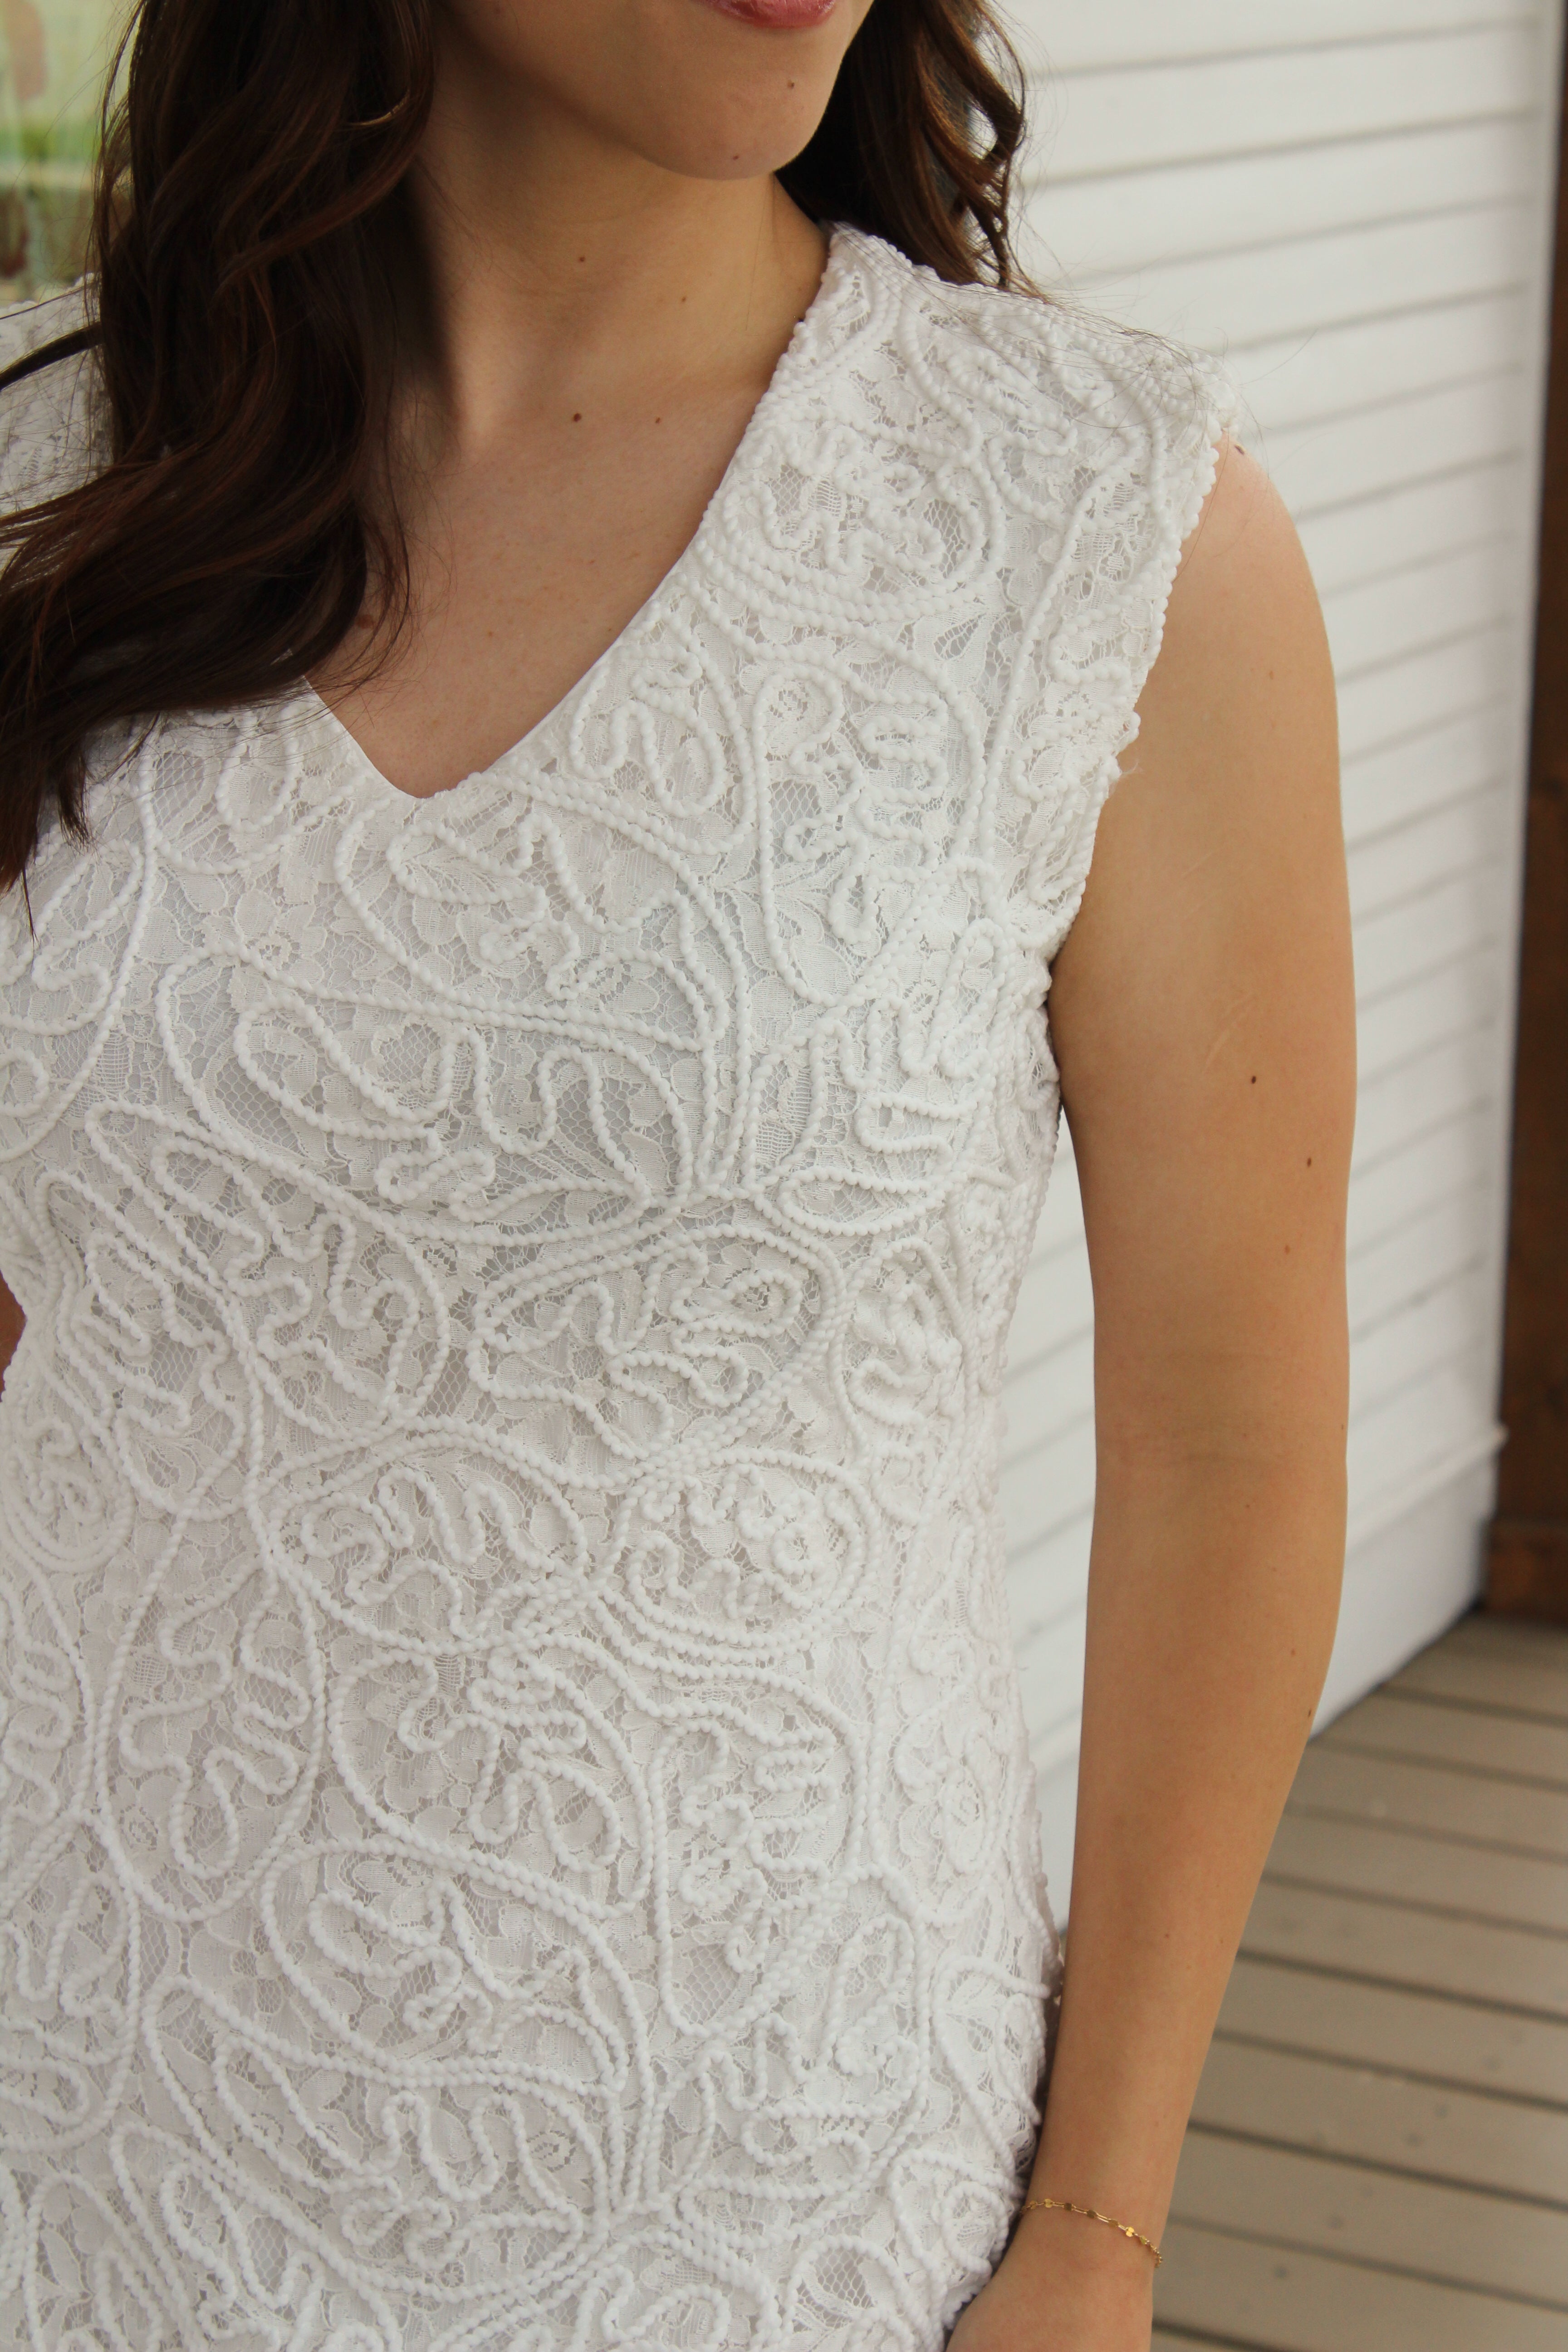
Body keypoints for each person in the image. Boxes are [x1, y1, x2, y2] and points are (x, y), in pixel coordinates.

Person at [0, 4, 1353, 2348]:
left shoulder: (1092, 528)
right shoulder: (47, 484)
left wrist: (1098, 2236)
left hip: (775, 2202)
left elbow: (1230, 1444)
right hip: (77, 2135)